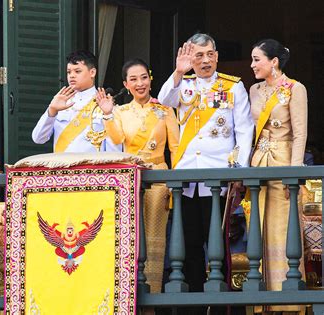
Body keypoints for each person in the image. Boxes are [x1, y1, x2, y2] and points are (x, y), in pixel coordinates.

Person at [158, 33, 254, 314]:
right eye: (198, 55)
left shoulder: (232, 86)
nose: (204, 60)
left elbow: (244, 130)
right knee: (188, 243)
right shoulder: (183, 85)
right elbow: (165, 99)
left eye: (209, 54)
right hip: (187, 178)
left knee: (218, 244)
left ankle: (221, 306)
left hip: (219, 178)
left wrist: (239, 171)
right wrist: (178, 70)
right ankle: (195, 306)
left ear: (216, 55)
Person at [96, 58, 180, 293]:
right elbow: (116, 140)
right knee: (130, 237)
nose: (140, 83)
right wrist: (107, 114)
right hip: (132, 179)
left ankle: (152, 292)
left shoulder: (165, 111)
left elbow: (175, 148)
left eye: (144, 77)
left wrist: (176, 181)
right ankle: (129, 295)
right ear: (126, 84)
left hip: (159, 179)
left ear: (150, 79)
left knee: (155, 239)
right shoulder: (120, 112)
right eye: (133, 79)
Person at [250, 39, 307, 315]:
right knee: (258, 232)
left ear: (273, 62)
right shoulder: (254, 90)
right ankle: (264, 304)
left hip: (283, 165)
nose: (252, 65)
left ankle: (289, 302)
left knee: (282, 234)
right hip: (258, 165)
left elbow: (300, 134)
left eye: (257, 59)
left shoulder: (295, 89)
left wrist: (293, 174)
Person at [32, 50, 121, 152]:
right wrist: (52, 111)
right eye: (69, 72)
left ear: (92, 72)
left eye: (77, 71)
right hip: (62, 166)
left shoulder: (105, 105)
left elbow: (114, 151)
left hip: (91, 167)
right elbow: (38, 138)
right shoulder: (60, 103)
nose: (72, 75)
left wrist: (108, 114)